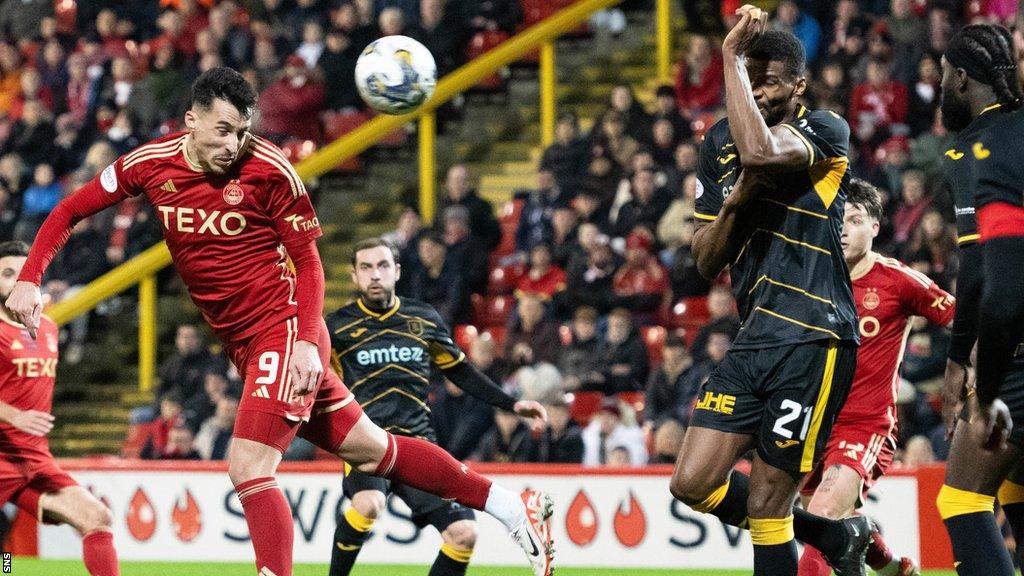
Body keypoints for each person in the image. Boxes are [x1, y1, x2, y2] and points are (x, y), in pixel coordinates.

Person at [5, 68, 554, 576]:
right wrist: (30, 276)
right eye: (222, 130)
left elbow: (310, 263)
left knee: (248, 467)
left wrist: (307, 345)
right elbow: (69, 210)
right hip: (244, 343)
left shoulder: (269, 170)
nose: (231, 145)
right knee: (374, 449)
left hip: (284, 328)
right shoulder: (148, 164)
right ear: (191, 121)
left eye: (241, 132)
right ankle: (509, 505)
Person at [673, 13, 868, 576]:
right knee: (690, 483)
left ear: (799, 86)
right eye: (747, 77)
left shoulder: (826, 130)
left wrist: (731, 57)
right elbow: (707, 258)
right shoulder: (717, 142)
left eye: (769, 81)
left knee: (766, 505)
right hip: (755, 335)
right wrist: (736, 203)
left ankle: (826, 538)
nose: (756, 91)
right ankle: (833, 535)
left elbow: (760, 153)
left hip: (814, 335)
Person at [325, 238, 554, 576]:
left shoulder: (423, 318)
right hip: (367, 443)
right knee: (368, 504)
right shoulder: (336, 327)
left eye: (383, 266)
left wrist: (512, 403)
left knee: (465, 534)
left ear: (397, 271)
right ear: (355, 276)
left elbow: (459, 370)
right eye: (366, 267)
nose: (375, 275)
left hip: (419, 444)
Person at [798, 180, 954, 576]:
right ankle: (891, 567)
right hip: (813, 423)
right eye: (838, 221)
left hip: (865, 425)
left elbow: (961, 319)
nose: (843, 229)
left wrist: (972, 373)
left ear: (876, 228)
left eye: (855, 220)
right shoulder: (813, 279)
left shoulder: (898, 281)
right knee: (816, 519)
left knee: (819, 520)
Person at [935, 24, 1024, 576]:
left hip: (1014, 352)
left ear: (961, 78)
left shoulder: (974, 150)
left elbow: (978, 273)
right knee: (1015, 492)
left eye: (944, 72)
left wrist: (957, 359)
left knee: (962, 501)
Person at [0, 241, 119, 576]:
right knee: (4, 554)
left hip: (32, 459)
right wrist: (14, 415)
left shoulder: (49, 329)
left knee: (97, 518)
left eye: (24, 274)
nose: (18, 281)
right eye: (8, 274)